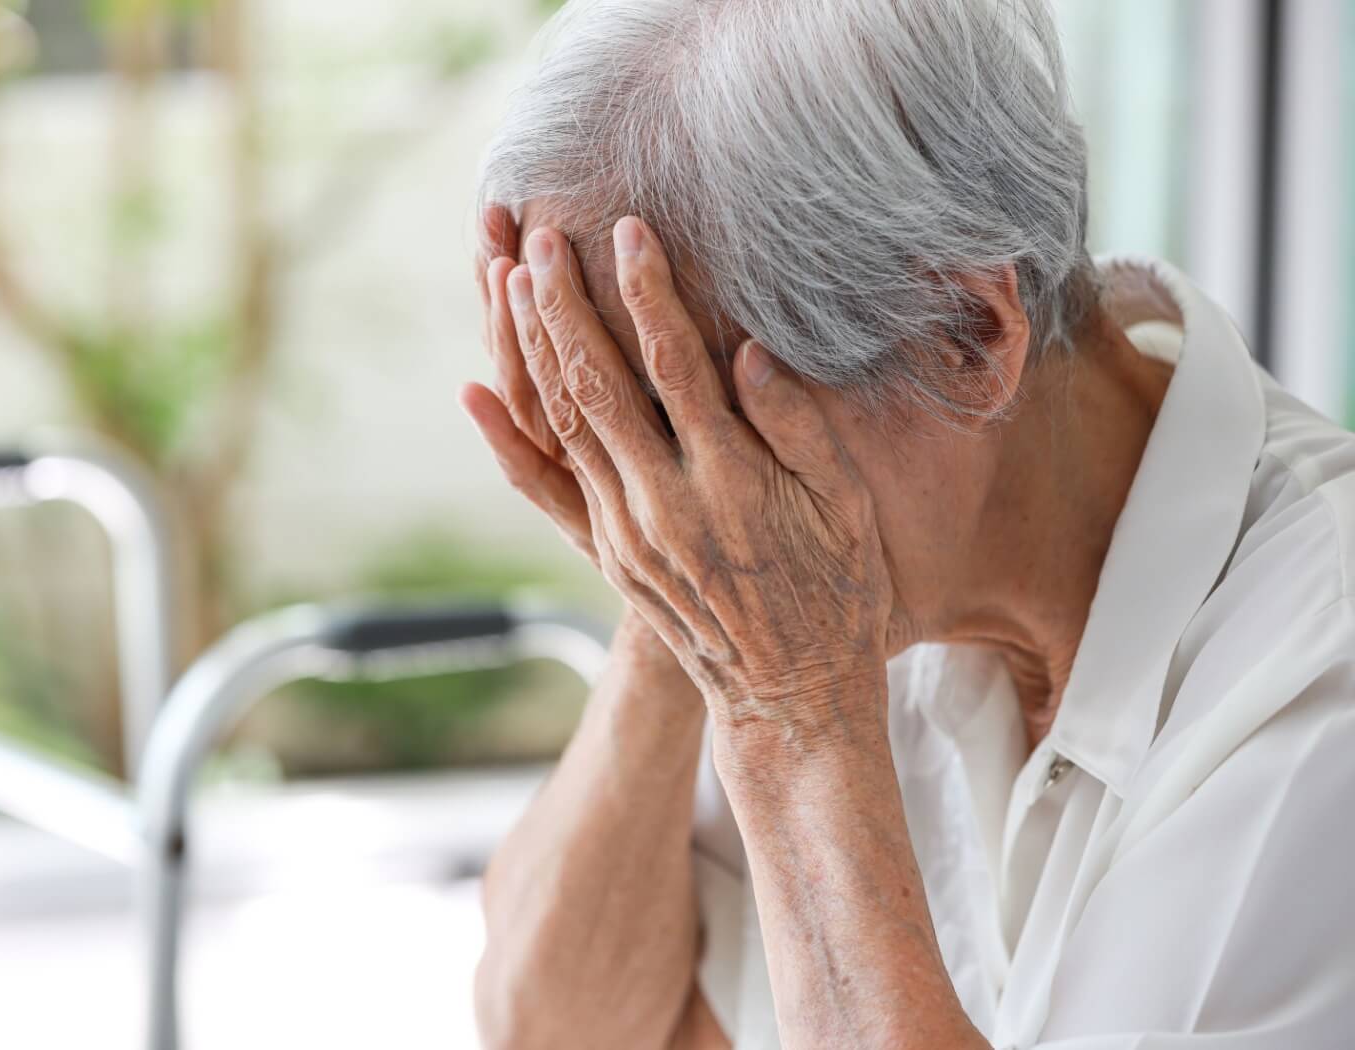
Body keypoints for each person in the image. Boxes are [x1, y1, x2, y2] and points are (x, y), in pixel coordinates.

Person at [458, 1, 1355, 1048]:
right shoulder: (804, 581)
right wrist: (662, 614)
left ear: (964, 338)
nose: (668, 508)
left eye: (688, 419)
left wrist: (792, 716)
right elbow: (553, 1029)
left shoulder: (1319, 693)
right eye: (610, 420)